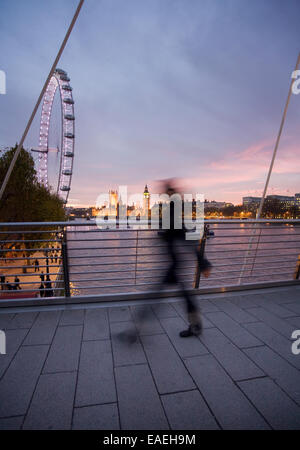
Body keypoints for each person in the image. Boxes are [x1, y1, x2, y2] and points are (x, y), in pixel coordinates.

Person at [158, 180, 212, 337]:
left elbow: (186, 239)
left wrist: (203, 262)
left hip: (174, 264)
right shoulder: (172, 211)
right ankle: (196, 325)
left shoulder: (171, 213)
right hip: (173, 263)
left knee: (161, 295)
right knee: (183, 296)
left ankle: (137, 329)